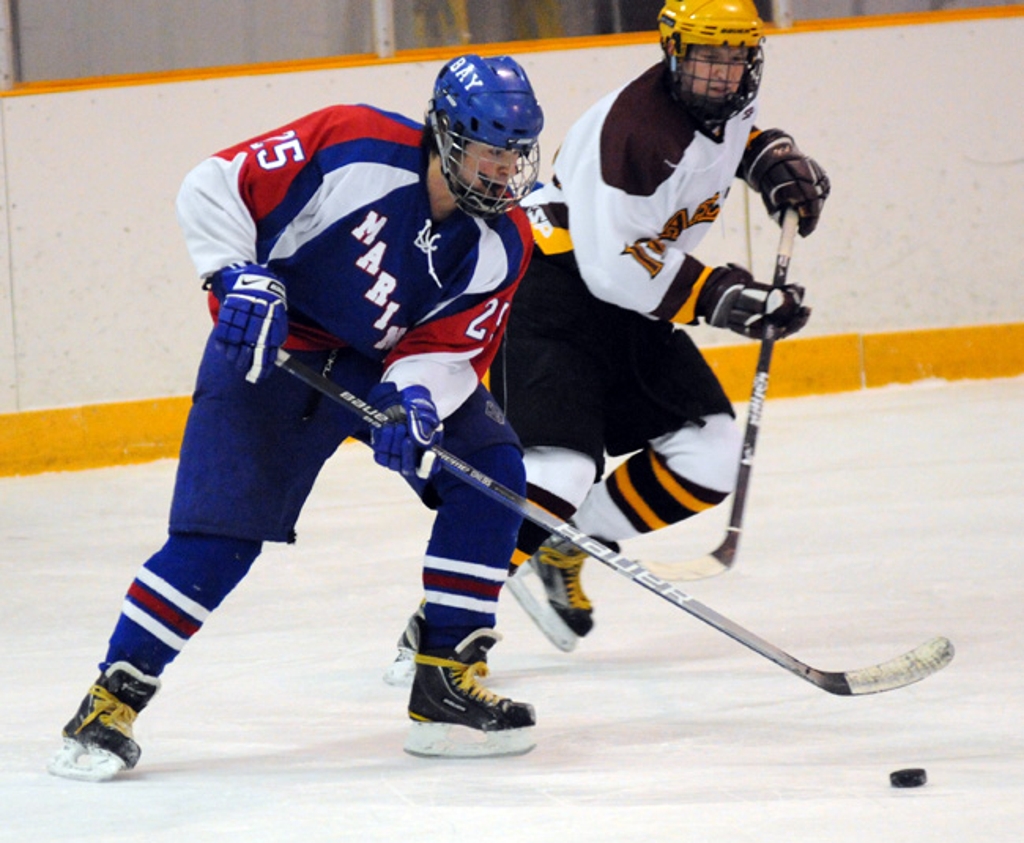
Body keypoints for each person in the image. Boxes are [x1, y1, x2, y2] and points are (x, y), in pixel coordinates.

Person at [47, 53, 545, 781]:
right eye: (489, 149)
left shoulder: (505, 242)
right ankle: (110, 699)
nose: (504, 170)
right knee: (217, 539)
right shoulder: (352, 144)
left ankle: (444, 677)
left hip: (380, 366)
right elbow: (215, 183)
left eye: (516, 153)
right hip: (271, 347)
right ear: (445, 135)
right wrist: (235, 272)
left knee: (491, 473)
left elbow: (446, 346)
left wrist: (414, 403)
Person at [489, 0, 830, 652]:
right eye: (707, 57)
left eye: (734, 58)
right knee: (558, 472)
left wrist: (772, 162)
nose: (721, 74)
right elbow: (613, 267)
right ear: (675, 53)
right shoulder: (633, 135)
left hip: (629, 297)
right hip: (553, 296)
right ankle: (443, 621)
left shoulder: (722, 100)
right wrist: (723, 295)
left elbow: (732, 139)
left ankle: (568, 543)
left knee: (709, 454)